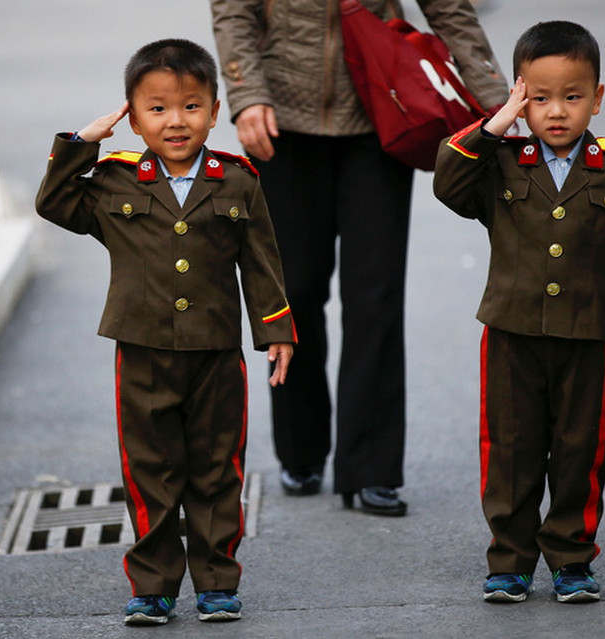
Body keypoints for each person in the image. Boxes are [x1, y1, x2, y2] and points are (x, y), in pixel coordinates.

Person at [210, 0, 510, 516]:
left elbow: (451, 11)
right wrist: (247, 92)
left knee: (375, 293)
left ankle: (371, 465)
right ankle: (301, 449)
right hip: (283, 119)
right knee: (295, 291)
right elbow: (234, 12)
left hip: (380, 111)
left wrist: (501, 106)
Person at [35, 38, 296, 626]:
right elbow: (54, 204)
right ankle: (152, 586)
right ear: (132, 113)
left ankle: (216, 583)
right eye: (156, 108)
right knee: (150, 471)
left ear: (214, 108)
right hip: (143, 350)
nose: (175, 121)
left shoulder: (237, 180)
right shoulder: (112, 181)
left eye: (190, 106)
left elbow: (261, 262)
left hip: (215, 351)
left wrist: (276, 330)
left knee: (216, 469)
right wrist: (82, 144)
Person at [433, 21, 605, 603]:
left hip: (586, 336)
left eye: (572, 96)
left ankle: (571, 559)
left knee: (579, 450)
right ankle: (510, 561)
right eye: (538, 98)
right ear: (520, 95)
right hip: (511, 333)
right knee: (510, 450)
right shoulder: (500, 162)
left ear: (597, 97)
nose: (556, 111)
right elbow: (447, 182)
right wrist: (497, 122)